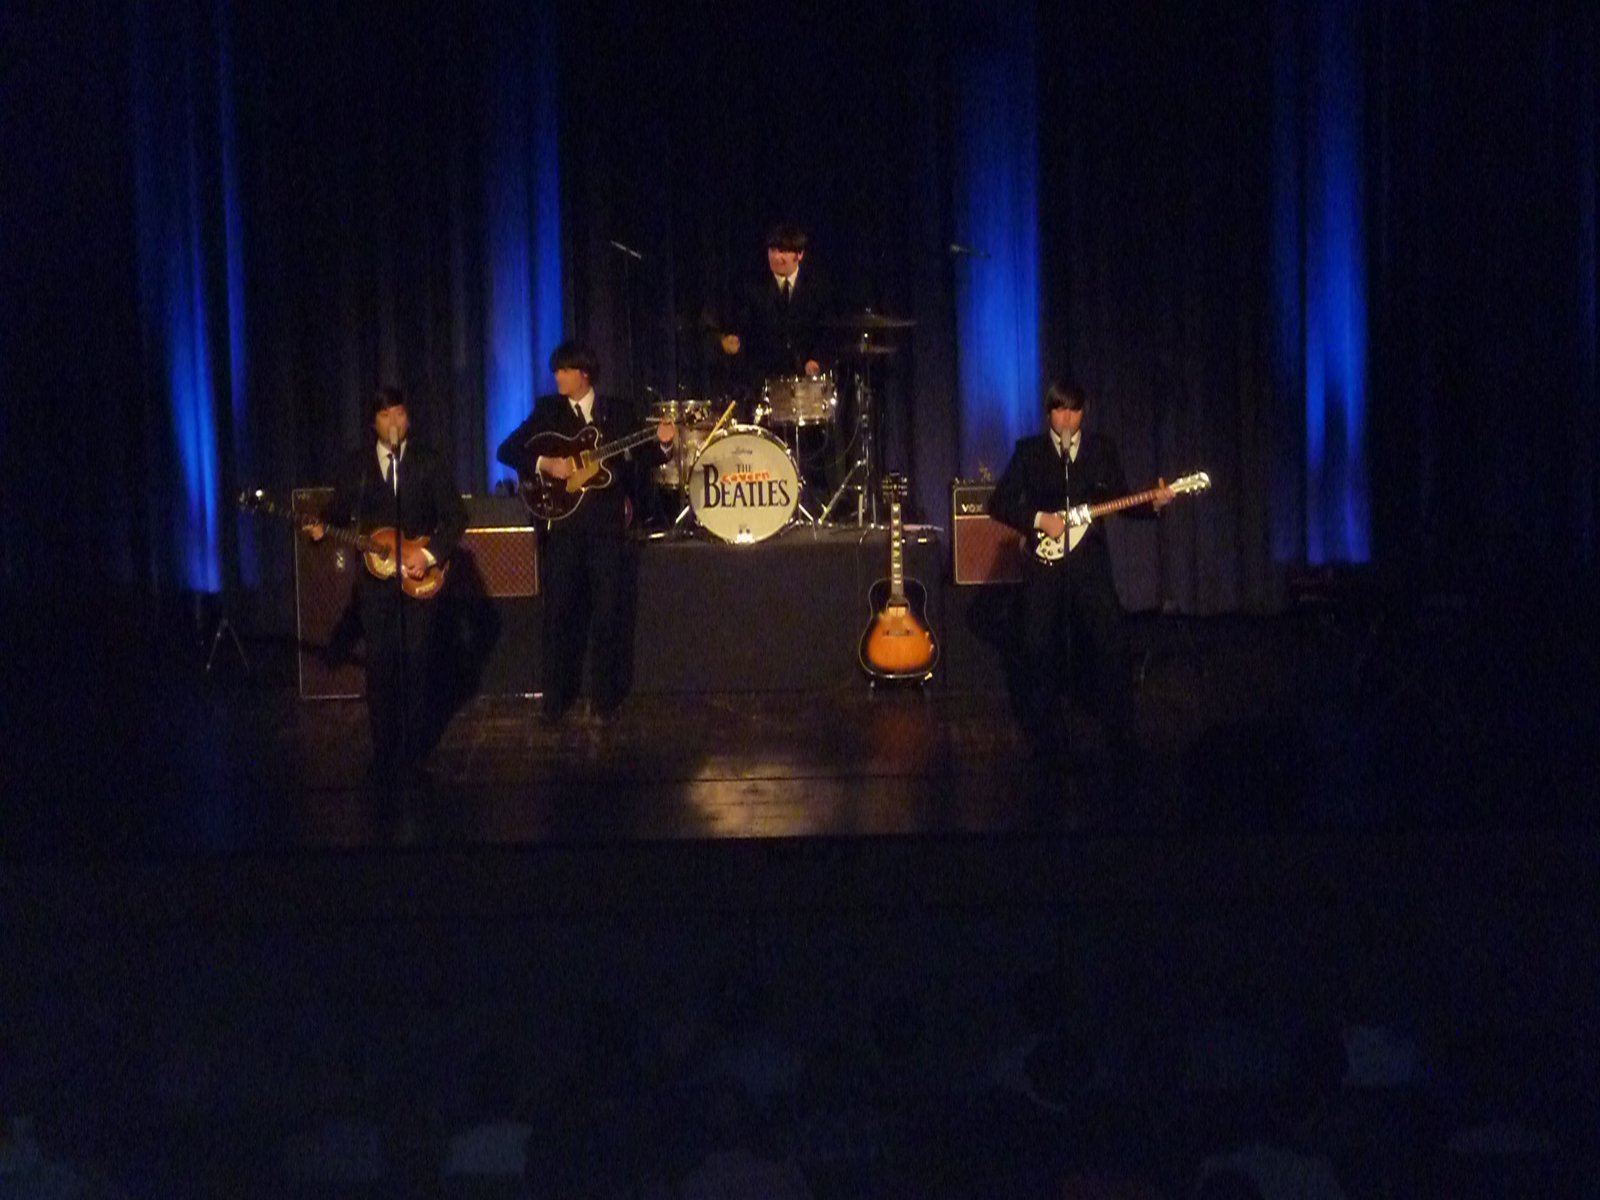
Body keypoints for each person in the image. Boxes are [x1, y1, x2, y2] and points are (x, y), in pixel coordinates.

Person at [987, 381, 1173, 783]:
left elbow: (1123, 502)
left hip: (1089, 562)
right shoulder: (1029, 451)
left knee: (1111, 641)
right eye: (1058, 410)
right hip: (1044, 564)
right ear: (1048, 413)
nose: (1065, 419)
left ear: (1083, 412)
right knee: (1037, 647)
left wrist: (1153, 507)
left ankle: (1120, 736)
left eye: (1072, 411)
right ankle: (1046, 741)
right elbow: (997, 503)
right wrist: (1038, 519)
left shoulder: (1101, 450)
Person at [495, 340, 674, 724]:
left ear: (585, 374)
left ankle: (604, 700)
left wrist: (665, 442)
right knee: (559, 613)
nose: (557, 376)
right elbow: (506, 451)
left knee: (608, 615)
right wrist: (546, 463)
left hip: (607, 528)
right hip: (563, 528)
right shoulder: (548, 411)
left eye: (564, 370)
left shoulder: (617, 412)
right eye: (556, 370)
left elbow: (647, 456)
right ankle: (556, 701)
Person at [309, 386, 467, 787]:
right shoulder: (357, 466)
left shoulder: (428, 461)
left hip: (418, 579)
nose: (394, 422)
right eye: (385, 416)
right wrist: (320, 527)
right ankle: (384, 756)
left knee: (415, 666)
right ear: (373, 422)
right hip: (375, 585)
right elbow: (337, 511)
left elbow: (455, 517)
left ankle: (413, 756)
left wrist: (428, 554)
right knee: (380, 669)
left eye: (399, 414)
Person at [719, 223, 833, 389]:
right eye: (773, 251)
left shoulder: (817, 287)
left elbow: (827, 331)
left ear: (799, 254)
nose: (776, 257)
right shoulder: (753, 287)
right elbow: (743, 326)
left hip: (806, 383)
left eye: (783, 251)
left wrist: (816, 359)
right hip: (764, 381)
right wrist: (734, 340)